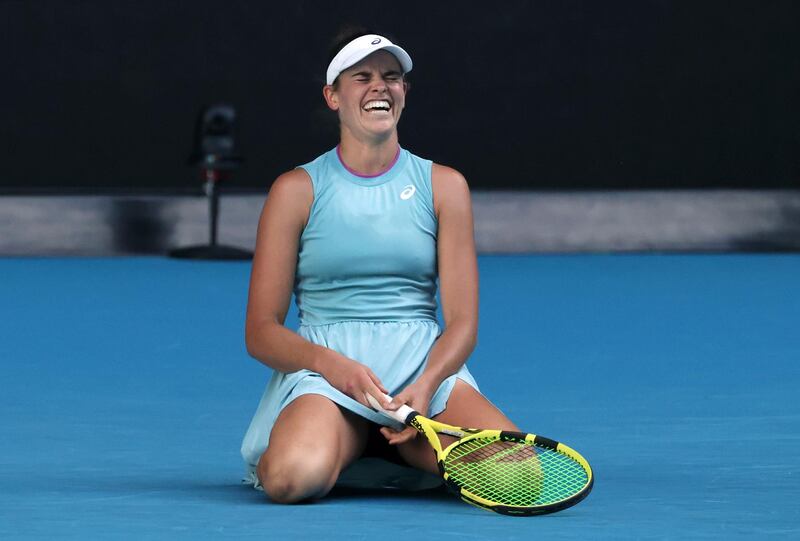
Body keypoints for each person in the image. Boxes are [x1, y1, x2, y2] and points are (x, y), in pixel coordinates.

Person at [241, 28, 519, 504]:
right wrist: (330, 366)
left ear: (404, 94)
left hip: (421, 372)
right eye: (362, 77)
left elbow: (463, 324)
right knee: (292, 478)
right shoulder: (294, 190)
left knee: (520, 478)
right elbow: (261, 332)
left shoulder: (445, 186)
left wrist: (426, 386)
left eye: (392, 77)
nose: (380, 87)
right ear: (332, 96)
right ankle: (348, 436)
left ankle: (398, 449)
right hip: (330, 375)